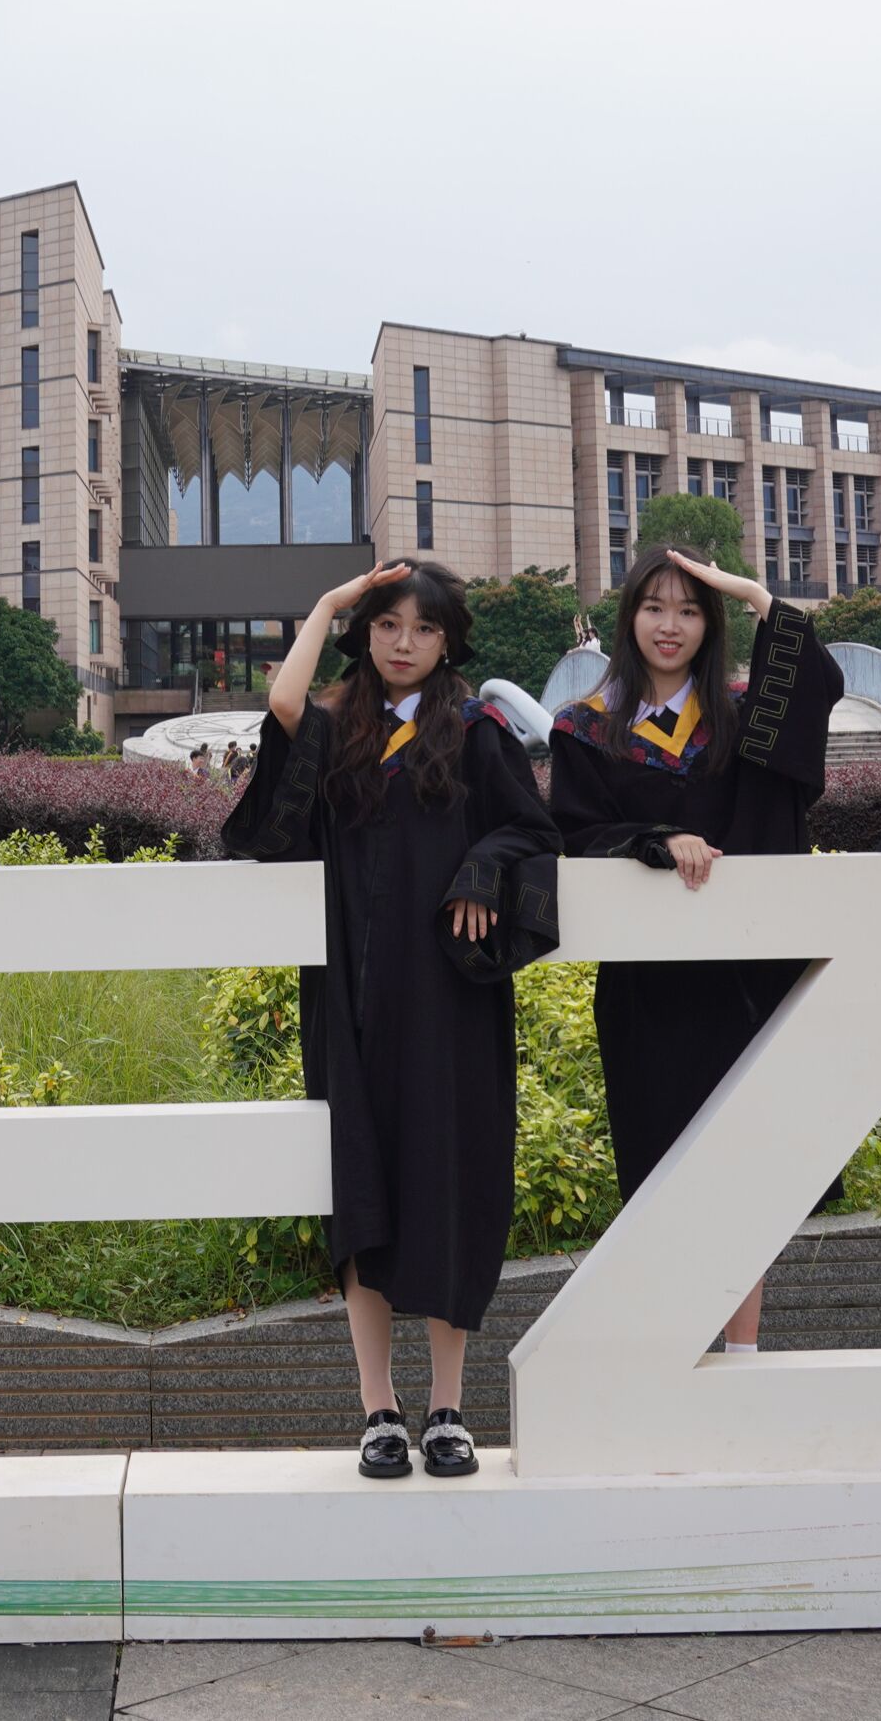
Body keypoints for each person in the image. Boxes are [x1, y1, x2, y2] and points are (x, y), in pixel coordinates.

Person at [223, 560, 560, 1484]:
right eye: (385, 625)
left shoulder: (477, 731)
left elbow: (534, 831)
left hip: (450, 1004)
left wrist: (483, 869)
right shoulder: (340, 730)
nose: (403, 642)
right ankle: (378, 1408)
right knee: (361, 1192)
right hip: (352, 1002)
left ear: (449, 641)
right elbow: (283, 708)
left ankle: (448, 1407)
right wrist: (327, 603)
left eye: (423, 627)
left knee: (450, 1186)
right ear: (363, 634)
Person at [543, 548, 836, 1352]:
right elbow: (573, 834)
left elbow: (815, 687)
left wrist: (755, 596)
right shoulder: (585, 728)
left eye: (689, 610)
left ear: (710, 626)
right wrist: (657, 838)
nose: (669, 626)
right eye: (654, 608)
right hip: (647, 990)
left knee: (744, 1172)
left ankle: (741, 1354)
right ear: (628, 619)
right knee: (659, 1170)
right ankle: (672, 1352)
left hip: (741, 982)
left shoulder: (738, 721)